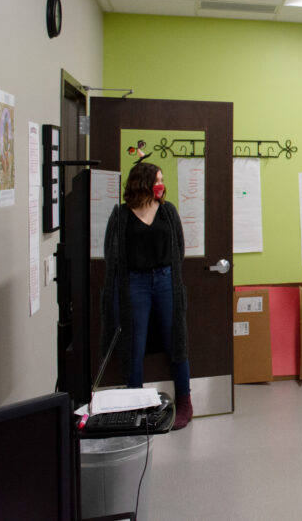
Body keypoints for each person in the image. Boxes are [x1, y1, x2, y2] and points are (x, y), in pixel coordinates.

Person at [101, 162, 193, 429]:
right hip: (134, 284)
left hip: (166, 281)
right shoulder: (121, 215)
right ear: (142, 182)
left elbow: (179, 249)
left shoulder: (168, 211)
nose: (161, 185)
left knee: (176, 339)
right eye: (157, 179)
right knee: (133, 346)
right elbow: (111, 255)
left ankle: (185, 402)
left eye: (162, 180)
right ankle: (136, 405)